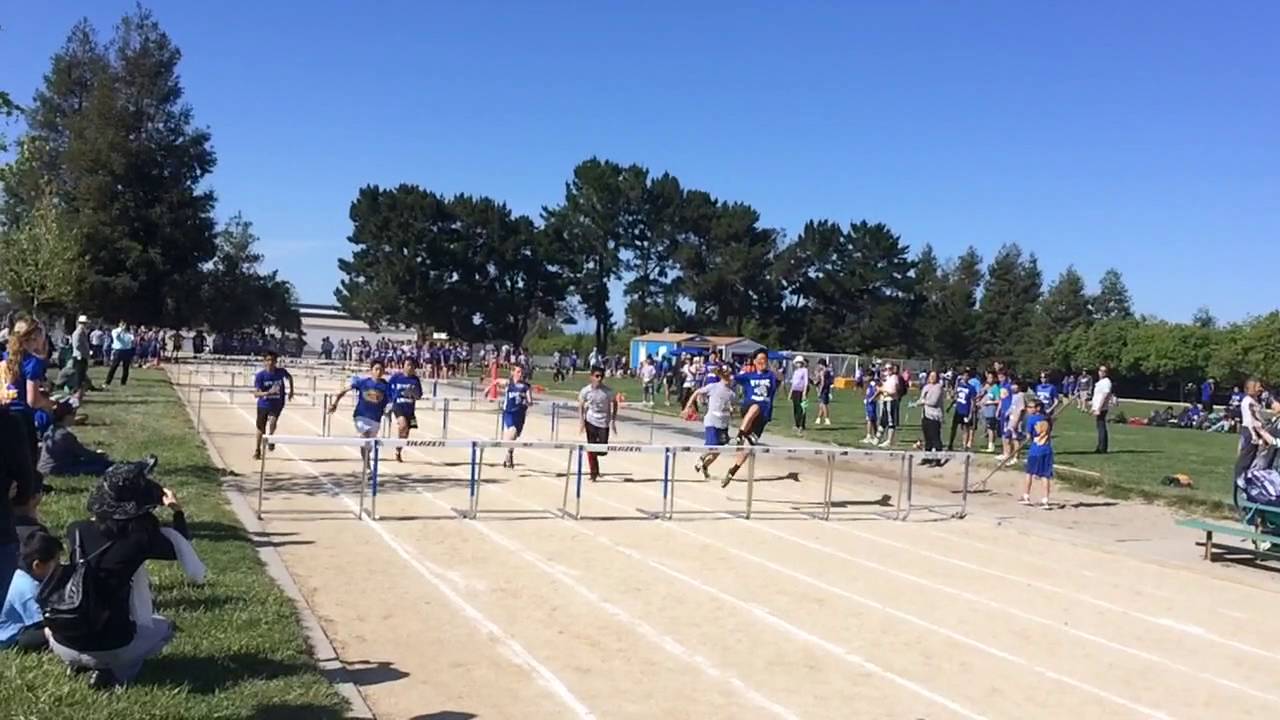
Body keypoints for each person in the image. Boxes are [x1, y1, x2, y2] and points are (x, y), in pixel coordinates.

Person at [46, 460, 189, 689]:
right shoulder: (141, 540)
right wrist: (176, 510)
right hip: (113, 643)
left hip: (64, 638)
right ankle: (116, 674)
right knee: (165, 628)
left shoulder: (76, 530)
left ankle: (77, 663)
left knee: (71, 634)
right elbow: (181, 546)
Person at [721, 349, 780, 488]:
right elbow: (731, 379)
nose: (762, 362)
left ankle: (732, 471)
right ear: (754, 362)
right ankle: (740, 435)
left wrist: (774, 369)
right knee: (755, 407)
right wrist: (722, 374)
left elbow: (780, 378)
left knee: (748, 448)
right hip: (749, 408)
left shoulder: (771, 376)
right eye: (759, 359)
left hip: (763, 416)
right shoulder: (749, 376)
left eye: (764, 359)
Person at [0, 531, 62, 652]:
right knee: (54, 632)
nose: (59, 567)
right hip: (10, 638)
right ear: (37, 566)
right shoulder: (29, 589)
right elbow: (45, 621)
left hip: (25, 627)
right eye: (56, 562)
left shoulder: (23, 574)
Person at [328, 360, 392, 469]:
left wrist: (389, 411)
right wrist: (335, 404)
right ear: (371, 370)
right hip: (361, 416)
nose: (378, 372)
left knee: (368, 446)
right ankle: (368, 468)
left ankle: (366, 458)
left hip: (375, 419)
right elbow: (344, 391)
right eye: (376, 369)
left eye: (381, 370)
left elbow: (390, 401)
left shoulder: (386, 386)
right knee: (365, 438)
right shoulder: (363, 382)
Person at [37, 402, 112, 477]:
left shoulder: (51, 430)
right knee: (101, 466)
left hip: (45, 468)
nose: (75, 417)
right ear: (67, 417)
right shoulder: (64, 435)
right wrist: (99, 455)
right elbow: (83, 453)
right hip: (58, 470)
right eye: (73, 414)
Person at [685, 367, 736, 479]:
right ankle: (701, 458)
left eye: (730, 376)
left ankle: (705, 466)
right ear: (722, 376)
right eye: (727, 375)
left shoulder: (732, 394)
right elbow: (697, 392)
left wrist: (732, 410)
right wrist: (688, 406)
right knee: (712, 445)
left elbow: (732, 407)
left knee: (718, 450)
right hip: (712, 421)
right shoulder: (714, 387)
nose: (730, 378)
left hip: (723, 424)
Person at [578, 367, 618, 483]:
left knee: (602, 450)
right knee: (591, 447)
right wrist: (581, 421)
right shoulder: (586, 391)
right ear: (591, 377)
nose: (599, 379)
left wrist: (613, 420)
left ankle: (592, 452)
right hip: (590, 420)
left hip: (604, 421)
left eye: (601, 376)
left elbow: (615, 403)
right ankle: (594, 473)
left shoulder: (607, 391)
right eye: (596, 376)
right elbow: (580, 405)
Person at [251, 352, 294, 461]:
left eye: (273, 360)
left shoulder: (281, 372)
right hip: (263, 404)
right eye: (268, 360)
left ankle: (270, 438)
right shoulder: (260, 376)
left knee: (273, 421)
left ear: (276, 362)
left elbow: (290, 377)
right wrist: (268, 393)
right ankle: (257, 450)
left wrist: (291, 391)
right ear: (264, 362)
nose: (270, 363)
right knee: (260, 428)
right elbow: (256, 394)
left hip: (277, 403)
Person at [493, 365, 533, 469]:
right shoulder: (509, 383)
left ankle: (509, 454)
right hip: (509, 413)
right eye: (518, 372)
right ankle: (508, 454)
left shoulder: (526, 386)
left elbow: (530, 402)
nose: (520, 374)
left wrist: (525, 400)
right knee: (512, 431)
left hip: (520, 414)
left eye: (521, 372)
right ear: (513, 373)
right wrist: (487, 390)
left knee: (514, 437)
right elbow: (496, 381)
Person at [387, 358, 424, 463]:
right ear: (403, 366)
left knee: (406, 432)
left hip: (410, 408)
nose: (410, 367)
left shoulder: (415, 380)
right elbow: (388, 390)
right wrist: (390, 401)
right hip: (398, 405)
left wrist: (413, 393)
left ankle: (398, 450)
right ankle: (399, 440)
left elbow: (419, 396)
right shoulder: (396, 377)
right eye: (408, 365)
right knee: (403, 425)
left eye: (412, 366)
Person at [1022, 418, 1054, 509]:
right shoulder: (1048, 422)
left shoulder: (1035, 421)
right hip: (1047, 450)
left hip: (1035, 451)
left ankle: (1026, 496)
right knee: (1045, 475)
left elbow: (1030, 436)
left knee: (1029, 473)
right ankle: (1045, 500)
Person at [917, 371, 945, 465]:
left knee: (935, 437)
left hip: (934, 416)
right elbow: (921, 399)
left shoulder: (938, 387)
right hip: (925, 414)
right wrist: (917, 403)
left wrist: (923, 401)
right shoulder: (926, 387)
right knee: (927, 437)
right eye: (930, 376)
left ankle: (937, 458)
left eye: (934, 376)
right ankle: (927, 457)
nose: (932, 378)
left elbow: (933, 402)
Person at [947, 369, 976, 452]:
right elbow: (955, 397)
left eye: (967, 376)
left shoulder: (971, 388)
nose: (965, 377)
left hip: (965, 410)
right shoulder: (959, 385)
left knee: (965, 428)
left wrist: (970, 413)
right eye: (964, 376)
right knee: (954, 427)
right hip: (958, 410)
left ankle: (964, 445)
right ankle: (950, 444)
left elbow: (972, 401)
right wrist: (950, 406)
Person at [999, 379, 1026, 462]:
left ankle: (1016, 457)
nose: (1013, 387)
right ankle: (1007, 454)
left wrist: (1016, 421)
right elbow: (1011, 407)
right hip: (1010, 419)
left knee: (1015, 438)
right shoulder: (1013, 395)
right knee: (1008, 437)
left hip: (1016, 420)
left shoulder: (1021, 395)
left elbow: (1021, 410)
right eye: (1012, 385)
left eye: (1015, 385)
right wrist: (1006, 414)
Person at [71, 315, 98, 392]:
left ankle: (81, 388)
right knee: (79, 373)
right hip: (79, 355)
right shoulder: (78, 332)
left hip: (83, 355)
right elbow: (76, 345)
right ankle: (77, 388)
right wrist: (83, 351)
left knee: (82, 373)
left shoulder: (82, 332)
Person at [104, 321, 135, 387]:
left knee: (126, 368)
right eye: (123, 324)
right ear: (119, 324)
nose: (124, 326)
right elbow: (116, 337)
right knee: (114, 367)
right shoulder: (115, 331)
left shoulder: (128, 333)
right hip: (118, 351)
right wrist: (121, 330)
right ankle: (107, 382)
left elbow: (132, 339)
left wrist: (132, 333)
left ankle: (123, 382)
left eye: (125, 324)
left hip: (127, 350)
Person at [1091, 365, 1114, 453]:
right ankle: (1100, 446)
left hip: (1102, 408)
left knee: (1101, 427)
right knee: (1100, 427)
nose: (1101, 372)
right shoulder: (1100, 382)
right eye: (1100, 370)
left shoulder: (1106, 382)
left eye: (1103, 371)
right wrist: (1093, 407)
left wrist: (1099, 408)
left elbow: (1105, 395)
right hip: (1098, 407)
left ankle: (1102, 448)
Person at [789, 356, 810, 433]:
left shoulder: (804, 370)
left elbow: (806, 382)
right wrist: (790, 393)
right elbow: (793, 383)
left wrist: (804, 392)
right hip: (795, 390)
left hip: (801, 391)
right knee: (796, 407)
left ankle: (801, 425)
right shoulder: (796, 371)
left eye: (800, 363)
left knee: (801, 408)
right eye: (797, 363)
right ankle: (796, 424)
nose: (799, 364)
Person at [813, 358, 834, 427]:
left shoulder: (823, 372)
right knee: (821, 405)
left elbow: (822, 382)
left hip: (823, 389)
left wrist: (820, 391)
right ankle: (818, 419)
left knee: (824, 404)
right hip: (827, 389)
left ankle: (827, 419)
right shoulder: (828, 371)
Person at [861, 373, 879, 443]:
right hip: (868, 403)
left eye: (866, 376)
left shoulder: (873, 383)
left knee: (869, 419)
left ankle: (869, 436)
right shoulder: (868, 384)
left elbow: (877, 391)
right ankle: (876, 435)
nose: (865, 378)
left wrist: (872, 398)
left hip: (871, 403)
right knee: (872, 420)